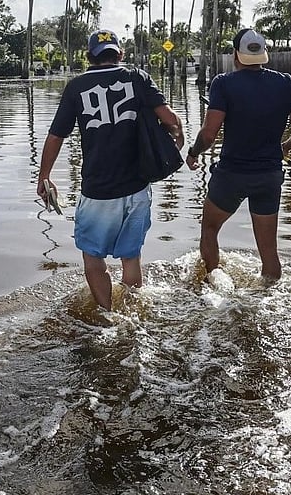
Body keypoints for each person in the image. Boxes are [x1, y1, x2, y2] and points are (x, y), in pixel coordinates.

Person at [38, 29, 184, 311]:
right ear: (120, 53)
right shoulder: (136, 77)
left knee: (93, 260)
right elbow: (169, 119)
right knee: (131, 258)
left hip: (98, 191)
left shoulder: (76, 87)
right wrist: (178, 136)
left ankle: (107, 317)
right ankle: (132, 314)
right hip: (137, 187)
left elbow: (56, 136)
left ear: (89, 56)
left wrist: (44, 176)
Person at [184, 28, 291, 282]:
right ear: (264, 54)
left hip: (232, 174)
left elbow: (209, 135)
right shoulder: (288, 84)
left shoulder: (223, 84)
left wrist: (193, 152)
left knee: (209, 229)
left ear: (236, 55)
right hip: (269, 176)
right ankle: (269, 293)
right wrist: (284, 148)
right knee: (269, 251)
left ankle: (213, 284)